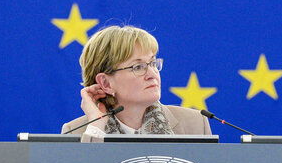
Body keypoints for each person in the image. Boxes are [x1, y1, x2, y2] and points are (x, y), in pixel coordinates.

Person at [61, 25, 211, 138]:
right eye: (138, 67)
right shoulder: (76, 132)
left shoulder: (196, 124)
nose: (152, 74)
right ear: (105, 83)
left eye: (152, 63)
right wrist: (96, 128)